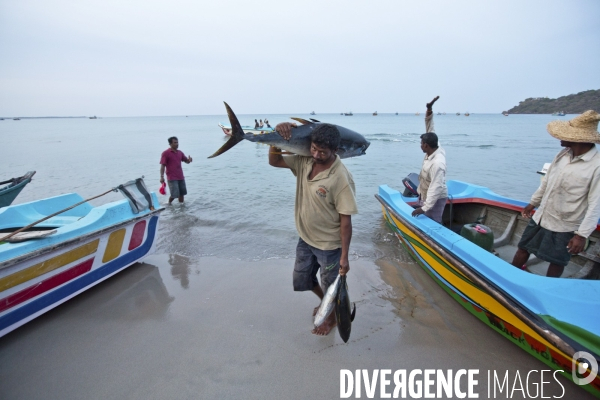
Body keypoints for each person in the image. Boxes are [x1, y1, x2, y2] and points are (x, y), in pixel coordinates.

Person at [269, 122, 358, 336]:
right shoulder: (305, 161)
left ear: (335, 151)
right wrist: (276, 139)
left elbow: (346, 221)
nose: (316, 155)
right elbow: (275, 160)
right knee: (303, 280)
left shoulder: (340, 178)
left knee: (331, 285)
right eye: (314, 149)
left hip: (329, 245)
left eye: (323, 152)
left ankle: (332, 318)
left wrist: (345, 258)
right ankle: (328, 303)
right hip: (306, 238)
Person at [511, 110, 600, 277]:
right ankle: (510, 275)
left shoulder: (596, 166)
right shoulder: (563, 154)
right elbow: (546, 182)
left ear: (577, 139)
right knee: (523, 248)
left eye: (564, 135)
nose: (559, 138)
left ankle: (547, 289)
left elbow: (595, 205)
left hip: (565, 224)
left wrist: (581, 236)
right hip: (542, 215)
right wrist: (532, 203)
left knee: (557, 261)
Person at [411, 96, 448, 223]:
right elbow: (430, 129)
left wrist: (424, 207)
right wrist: (429, 110)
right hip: (424, 193)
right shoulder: (434, 145)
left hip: (436, 198)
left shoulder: (438, 163)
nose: (420, 145)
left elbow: (436, 187)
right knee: (423, 220)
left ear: (426, 145)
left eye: (421, 143)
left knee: (434, 221)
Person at [160, 136, 192, 204]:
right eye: (175, 142)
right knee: (174, 194)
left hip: (180, 176)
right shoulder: (165, 153)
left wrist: (189, 160)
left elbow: (186, 161)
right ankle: (168, 203)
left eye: (177, 142)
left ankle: (181, 207)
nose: (177, 144)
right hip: (172, 177)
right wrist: (161, 177)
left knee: (182, 193)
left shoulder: (180, 152)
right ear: (170, 144)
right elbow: (163, 165)